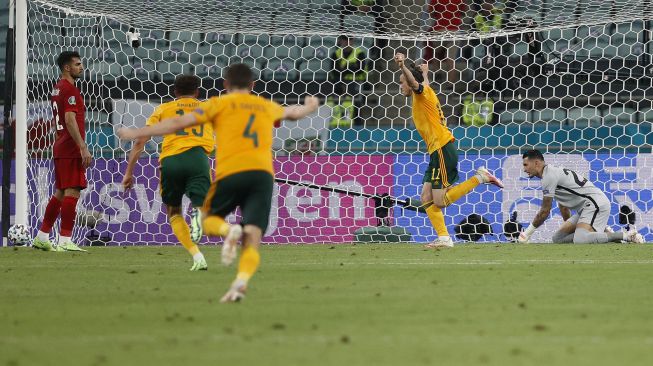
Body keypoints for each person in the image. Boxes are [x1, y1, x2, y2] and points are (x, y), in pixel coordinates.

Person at [118, 63, 320, 302]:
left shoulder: (217, 104)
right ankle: (241, 283)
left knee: (208, 219)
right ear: (252, 85)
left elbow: (176, 124)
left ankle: (228, 230)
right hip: (261, 174)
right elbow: (293, 114)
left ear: (225, 85)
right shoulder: (265, 105)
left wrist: (134, 132)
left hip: (229, 172)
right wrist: (311, 106)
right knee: (253, 235)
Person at [394, 52, 504, 248]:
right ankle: (444, 238)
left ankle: (480, 178)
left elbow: (415, 83)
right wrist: (425, 72)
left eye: (402, 82)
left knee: (441, 201)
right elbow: (421, 82)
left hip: (442, 148)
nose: (401, 85)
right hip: (437, 151)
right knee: (426, 198)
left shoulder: (421, 93)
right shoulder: (426, 92)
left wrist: (403, 67)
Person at [122, 75, 214, 271]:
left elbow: (140, 141)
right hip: (198, 158)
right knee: (202, 203)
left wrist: (129, 172)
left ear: (175, 92)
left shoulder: (163, 108)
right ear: (197, 92)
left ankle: (197, 256)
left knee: (173, 211)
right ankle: (198, 213)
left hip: (171, 160)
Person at [518, 149, 644, 244]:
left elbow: (544, 211)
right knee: (558, 238)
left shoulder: (548, 177)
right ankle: (602, 233)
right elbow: (563, 205)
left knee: (580, 239)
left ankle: (627, 236)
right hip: (587, 207)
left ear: (536, 163)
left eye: (525, 165)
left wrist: (526, 234)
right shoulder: (551, 173)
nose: (524, 169)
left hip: (595, 203)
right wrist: (569, 225)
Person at [32, 51, 91, 252]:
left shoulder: (57, 89)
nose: (81, 67)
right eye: (77, 64)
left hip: (60, 145)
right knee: (72, 190)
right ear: (67, 67)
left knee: (60, 193)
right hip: (69, 147)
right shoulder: (70, 90)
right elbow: (69, 119)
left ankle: (42, 236)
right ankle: (65, 240)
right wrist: (82, 146)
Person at [329, 35, 368, 127]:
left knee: (356, 103)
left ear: (352, 40)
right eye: (345, 40)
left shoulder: (359, 53)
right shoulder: (335, 54)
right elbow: (334, 71)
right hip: (339, 82)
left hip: (356, 82)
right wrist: (351, 67)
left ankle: (357, 125)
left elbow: (360, 70)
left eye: (349, 39)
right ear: (340, 41)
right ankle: (337, 123)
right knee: (337, 103)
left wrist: (344, 68)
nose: (347, 42)